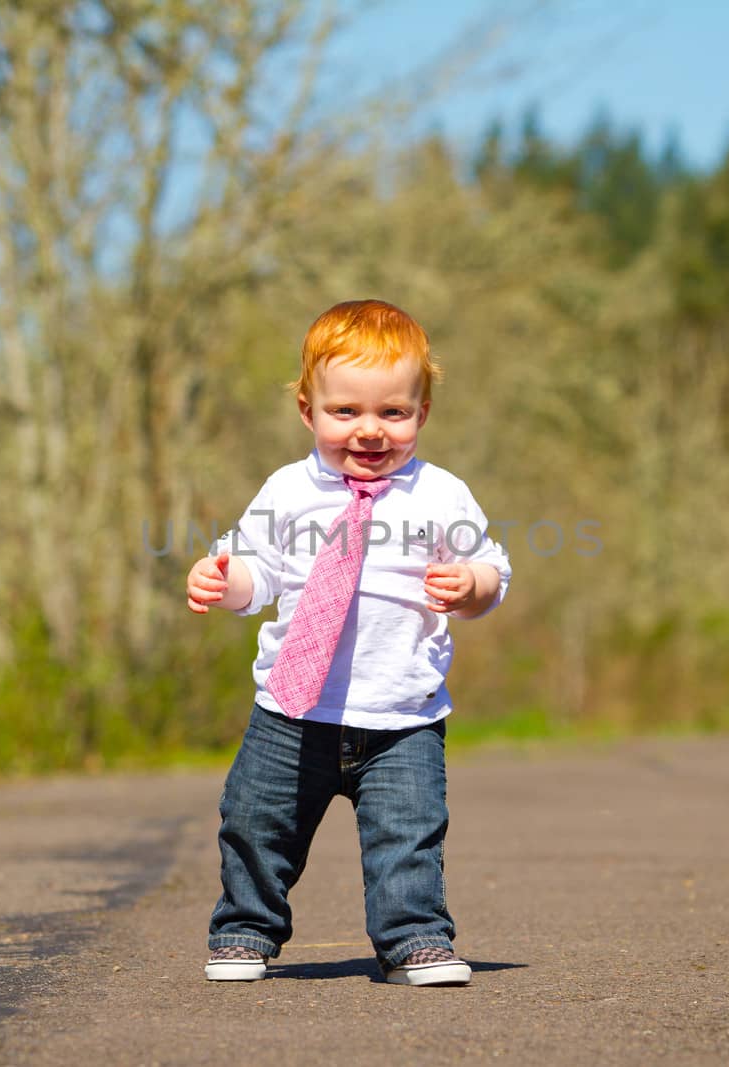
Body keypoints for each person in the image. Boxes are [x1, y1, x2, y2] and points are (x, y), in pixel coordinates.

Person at [185, 298, 511, 986]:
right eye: (345, 412)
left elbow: (494, 568)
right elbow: (258, 568)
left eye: (393, 412)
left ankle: (413, 936)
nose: (369, 431)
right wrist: (226, 578)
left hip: (400, 714)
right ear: (308, 410)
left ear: (422, 413)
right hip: (291, 711)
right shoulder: (288, 490)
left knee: (408, 835)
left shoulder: (440, 496)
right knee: (254, 821)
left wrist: (472, 582)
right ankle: (245, 927)